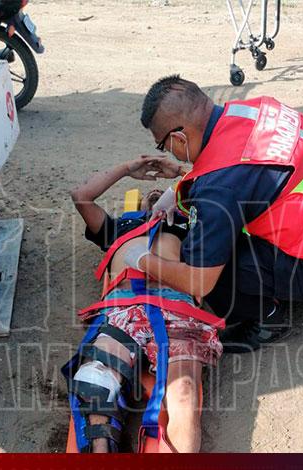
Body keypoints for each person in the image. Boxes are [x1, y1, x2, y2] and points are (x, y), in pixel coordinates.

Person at [127, 75, 303, 352]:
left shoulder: (220, 187)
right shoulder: (256, 110)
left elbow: (199, 281)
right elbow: (245, 171)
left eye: (163, 145)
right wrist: (179, 188)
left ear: (179, 137)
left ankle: (268, 320)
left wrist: (142, 260)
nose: (169, 152)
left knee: (206, 257)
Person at [65, 156, 223, 453]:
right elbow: (80, 197)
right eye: (153, 194)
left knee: (184, 394)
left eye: (166, 192)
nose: (157, 193)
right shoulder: (119, 229)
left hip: (178, 310)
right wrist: (127, 168)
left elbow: (214, 185)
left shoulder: (192, 230)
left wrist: (181, 174)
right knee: (94, 381)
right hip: (123, 309)